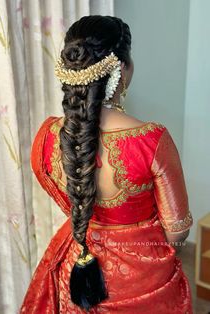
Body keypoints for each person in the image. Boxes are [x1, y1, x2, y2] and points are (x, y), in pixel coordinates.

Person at [19, 15, 193, 313]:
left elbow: (67, 197)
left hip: (76, 265)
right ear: (121, 69)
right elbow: (177, 231)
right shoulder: (151, 140)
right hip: (142, 277)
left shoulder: (47, 136)